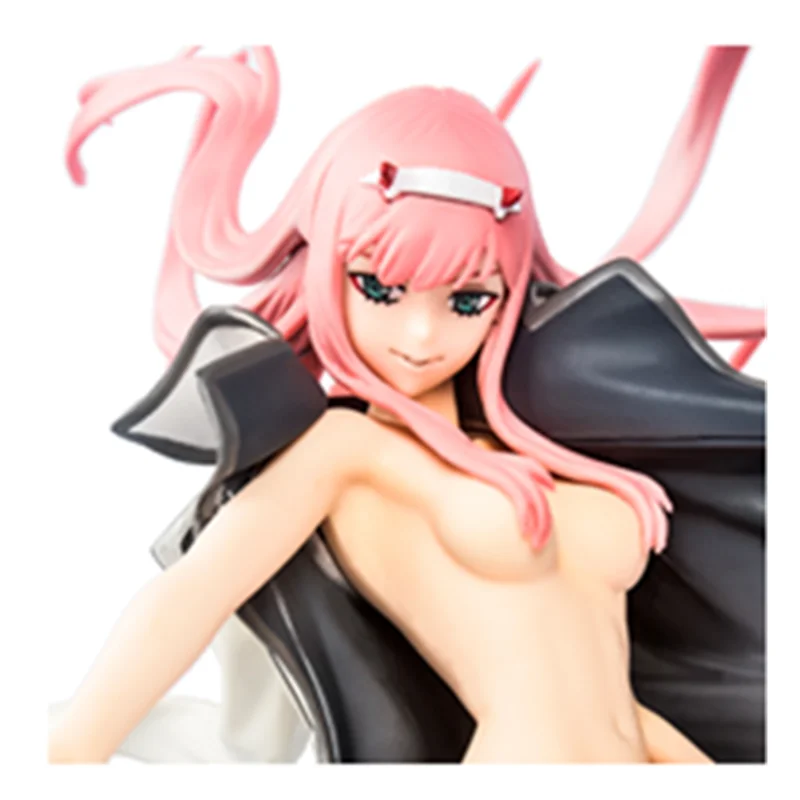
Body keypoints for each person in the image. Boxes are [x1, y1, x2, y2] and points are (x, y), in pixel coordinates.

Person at [48, 45, 764, 764]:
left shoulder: (535, 445)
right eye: (379, 288)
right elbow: (188, 597)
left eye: (468, 299)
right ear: (324, 268)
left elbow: (605, 691)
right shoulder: (344, 450)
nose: (421, 336)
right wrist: (70, 753)